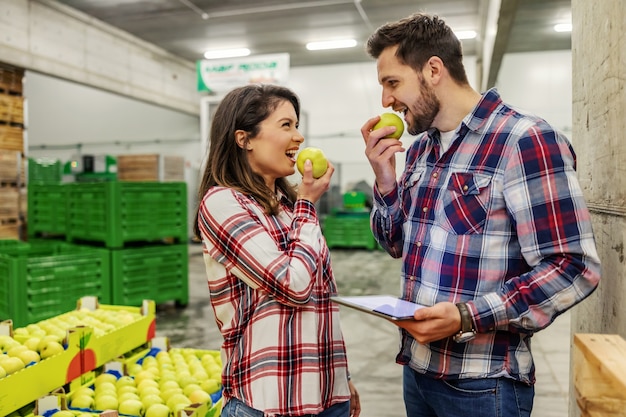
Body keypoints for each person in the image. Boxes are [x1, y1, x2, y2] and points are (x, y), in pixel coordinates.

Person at [360, 12, 601, 417]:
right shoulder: (421, 151)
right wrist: (386, 182)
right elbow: (394, 244)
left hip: (483, 385)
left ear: (433, 69)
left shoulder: (525, 141)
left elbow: (574, 266)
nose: (386, 100)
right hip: (417, 372)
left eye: (392, 82)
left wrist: (466, 317)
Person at [194, 84, 361, 417]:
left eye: (297, 125)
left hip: (327, 396)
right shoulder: (222, 203)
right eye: (286, 125)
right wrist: (308, 203)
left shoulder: (288, 207)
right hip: (269, 403)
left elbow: (319, 294)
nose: (298, 137)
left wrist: (340, 379)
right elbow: (292, 285)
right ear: (245, 139)